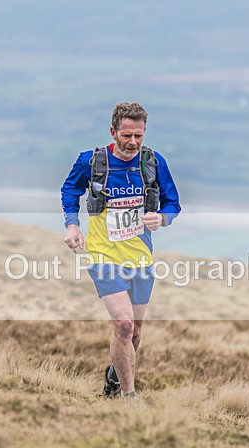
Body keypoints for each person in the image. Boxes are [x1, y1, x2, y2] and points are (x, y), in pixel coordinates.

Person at [61, 102, 181, 399]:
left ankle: (114, 376)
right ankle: (129, 398)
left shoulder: (153, 162)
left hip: (140, 258)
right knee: (124, 324)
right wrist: (73, 225)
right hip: (103, 256)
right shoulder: (91, 161)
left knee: (135, 333)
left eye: (138, 136)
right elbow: (70, 191)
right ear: (113, 131)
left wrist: (162, 218)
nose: (132, 142)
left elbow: (173, 203)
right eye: (126, 135)